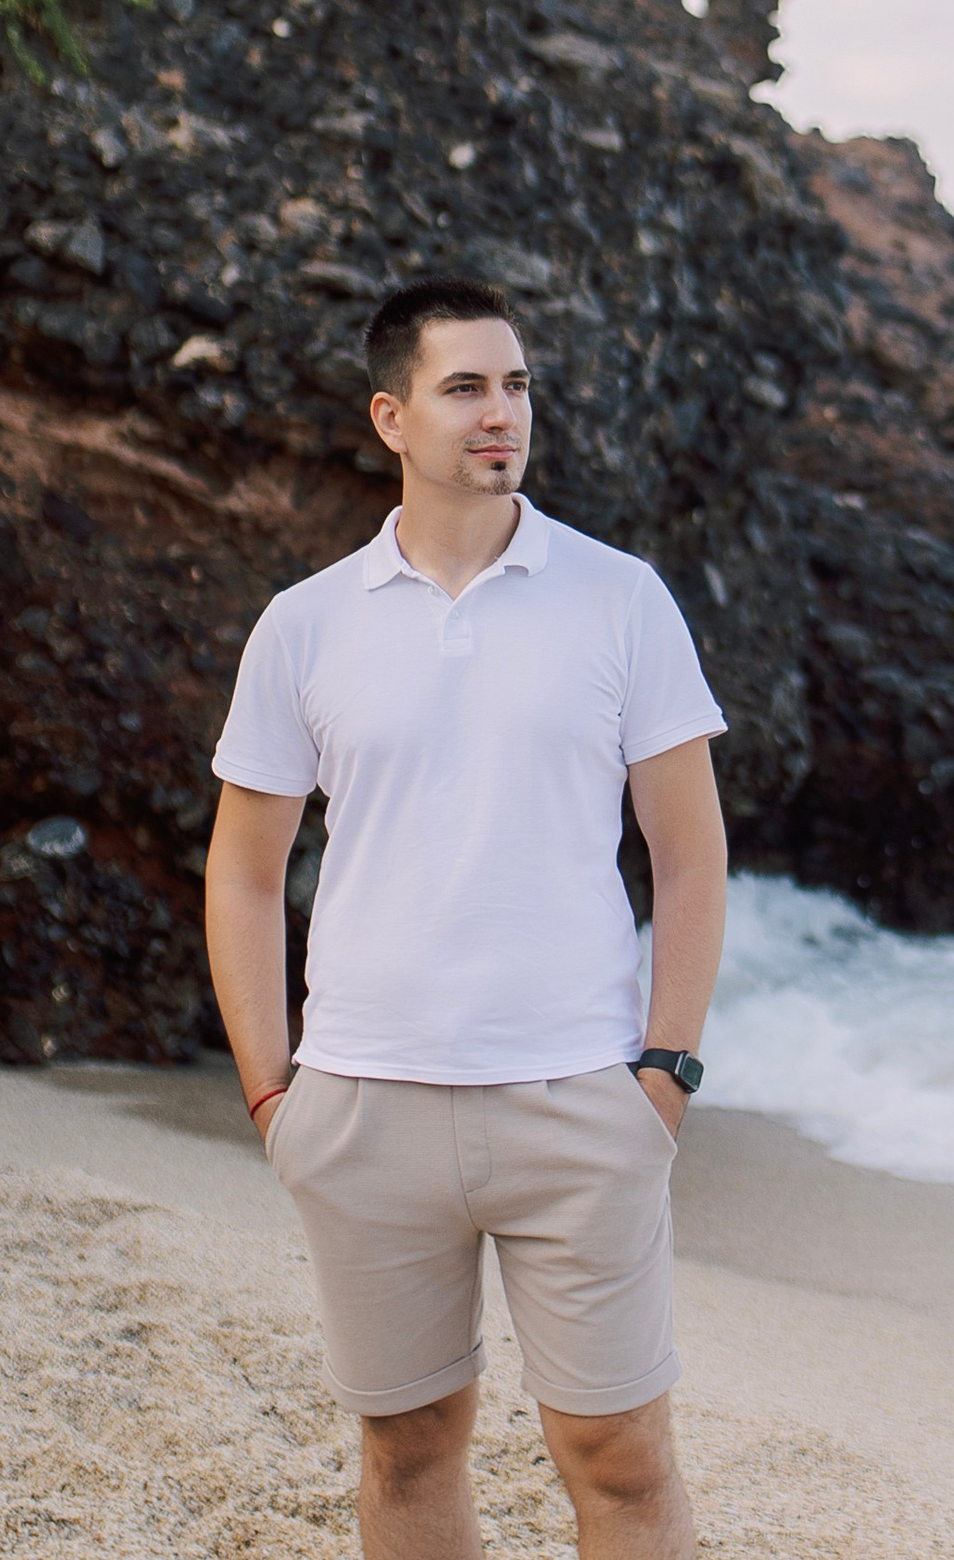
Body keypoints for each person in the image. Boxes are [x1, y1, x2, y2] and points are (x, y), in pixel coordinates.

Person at [205, 276, 728, 1560]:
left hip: (579, 1100)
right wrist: (274, 1091)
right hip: (363, 1102)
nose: (501, 414)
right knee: (411, 1442)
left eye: (517, 385)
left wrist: (663, 1067)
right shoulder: (305, 624)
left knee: (620, 1456)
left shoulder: (620, 599)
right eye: (465, 388)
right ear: (392, 417)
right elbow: (243, 867)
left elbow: (690, 847)